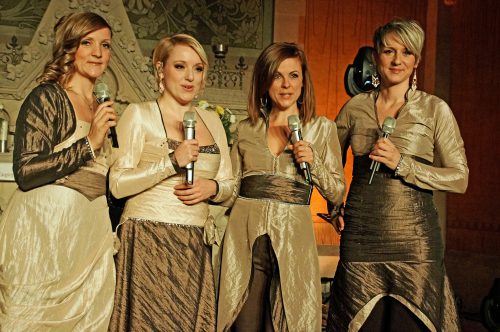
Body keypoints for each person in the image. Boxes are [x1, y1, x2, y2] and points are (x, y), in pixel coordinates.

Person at [327, 18, 468, 331]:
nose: (397, 60)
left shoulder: (434, 110)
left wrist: (404, 164)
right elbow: (331, 168)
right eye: (389, 51)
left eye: (406, 52)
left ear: (416, 60)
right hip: (361, 241)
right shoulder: (353, 108)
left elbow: (459, 178)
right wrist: (335, 204)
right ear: (376, 56)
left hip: (415, 246)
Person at [107, 33, 233, 331]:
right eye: (180, 66)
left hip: (194, 245)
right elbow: (117, 184)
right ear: (160, 69)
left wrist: (213, 188)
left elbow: (230, 183)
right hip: (147, 239)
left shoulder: (212, 121)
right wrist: (171, 162)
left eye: (198, 68)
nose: (190, 77)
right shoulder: (140, 115)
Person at [217, 42, 346, 332]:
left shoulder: (322, 128)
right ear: (264, 81)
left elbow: (337, 192)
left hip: (294, 245)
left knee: (290, 323)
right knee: (242, 324)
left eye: (294, 75)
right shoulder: (245, 129)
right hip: (244, 244)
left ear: (304, 81)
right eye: (277, 76)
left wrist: (314, 163)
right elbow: (231, 188)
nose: (286, 84)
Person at [0, 12, 117, 331]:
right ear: (69, 47)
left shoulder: (100, 106)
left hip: (90, 233)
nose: (98, 53)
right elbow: (25, 170)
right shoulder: (47, 97)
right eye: (87, 43)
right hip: (45, 233)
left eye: (105, 45)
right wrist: (90, 143)